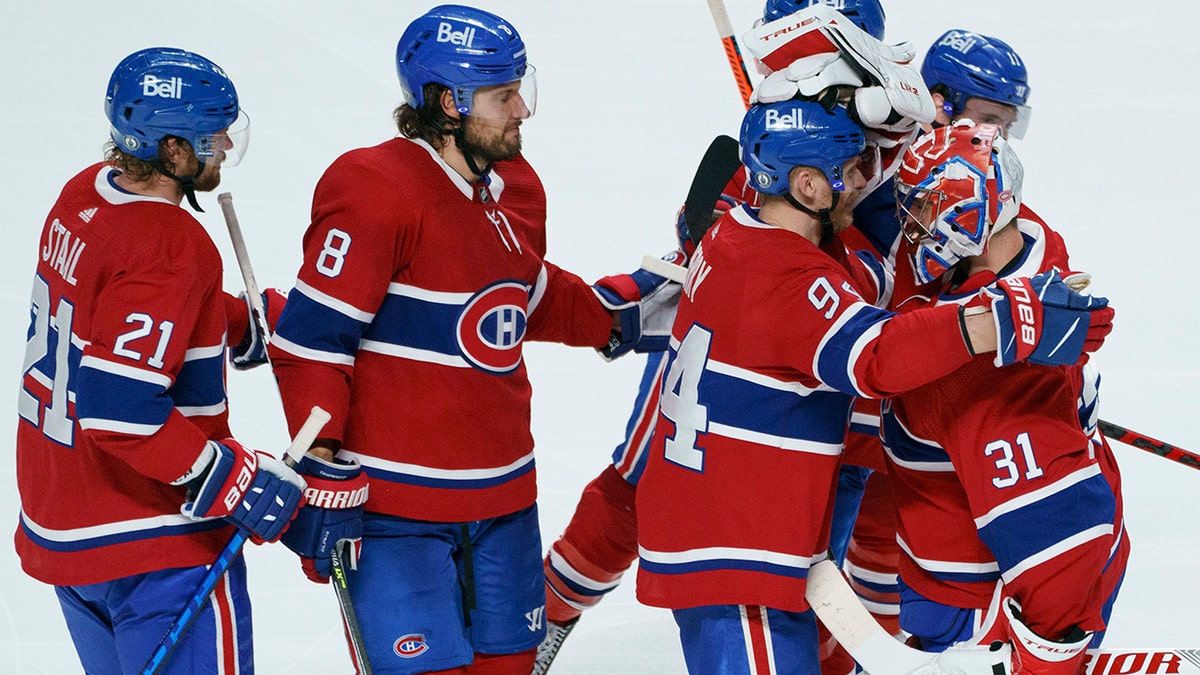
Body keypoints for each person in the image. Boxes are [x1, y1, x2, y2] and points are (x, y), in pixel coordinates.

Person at [633, 98, 1113, 675]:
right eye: (851, 166)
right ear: (809, 186)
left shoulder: (735, 234)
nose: (867, 179)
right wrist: (1002, 320)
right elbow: (877, 356)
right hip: (739, 553)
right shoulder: (788, 279)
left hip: (728, 528)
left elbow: (855, 276)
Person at [266, 5, 675, 674]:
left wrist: (615, 312)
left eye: (520, 87)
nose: (523, 110)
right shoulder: (372, 188)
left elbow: (520, 295)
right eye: (502, 94)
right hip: (396, 512)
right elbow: (314, 341)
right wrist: (321, 467)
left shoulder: (517, 187)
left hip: (506, 502)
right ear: (447, 103)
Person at [533, 3, 894, 672]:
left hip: (839, 374)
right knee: (642, 479)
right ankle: (548, 609)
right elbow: (711, 252)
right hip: (729, 366)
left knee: (833, 524)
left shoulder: (881, 144)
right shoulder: (775, 146)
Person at [15, 47, 307, 673]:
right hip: (154, 544)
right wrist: (230, 478)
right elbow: (119, 409)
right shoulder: (172, 242)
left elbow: (115, 312)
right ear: (172, 150)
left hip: (71, 528)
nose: (226, 143)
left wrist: (235, 323)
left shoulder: (81, 197)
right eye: (211, 134)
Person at [883, 121, 1128, 673]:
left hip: (994, 623)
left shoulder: (994, 361)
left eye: (924, 209)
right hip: (977, 613)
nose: (910, 229)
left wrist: (1049, 657)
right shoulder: (1032, 256)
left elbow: (1055, 543)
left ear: (969, 214)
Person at [840, 27, 1037, 643]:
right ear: (942, 102)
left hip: (919, 410)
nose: (997, 136)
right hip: (856, 393)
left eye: (1008, 123)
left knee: (901, 549)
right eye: (987, 118)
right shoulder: (875, 169)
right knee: (835, 553)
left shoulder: (982, 178)